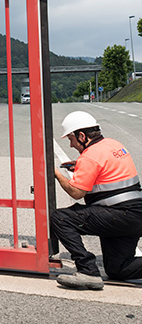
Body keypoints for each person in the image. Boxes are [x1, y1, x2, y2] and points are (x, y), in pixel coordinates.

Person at [51, 111, 142, 290]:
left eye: (71, 139)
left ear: (82, 136)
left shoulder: (90, 156)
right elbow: (107, 169)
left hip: (119, 215)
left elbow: (76, 192)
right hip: (134, 215)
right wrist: (81, 166)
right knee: (118, 269)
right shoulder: (114, 144)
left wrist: (56, 173)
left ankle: (87, 271)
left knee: (60, 218)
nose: (71, 144)